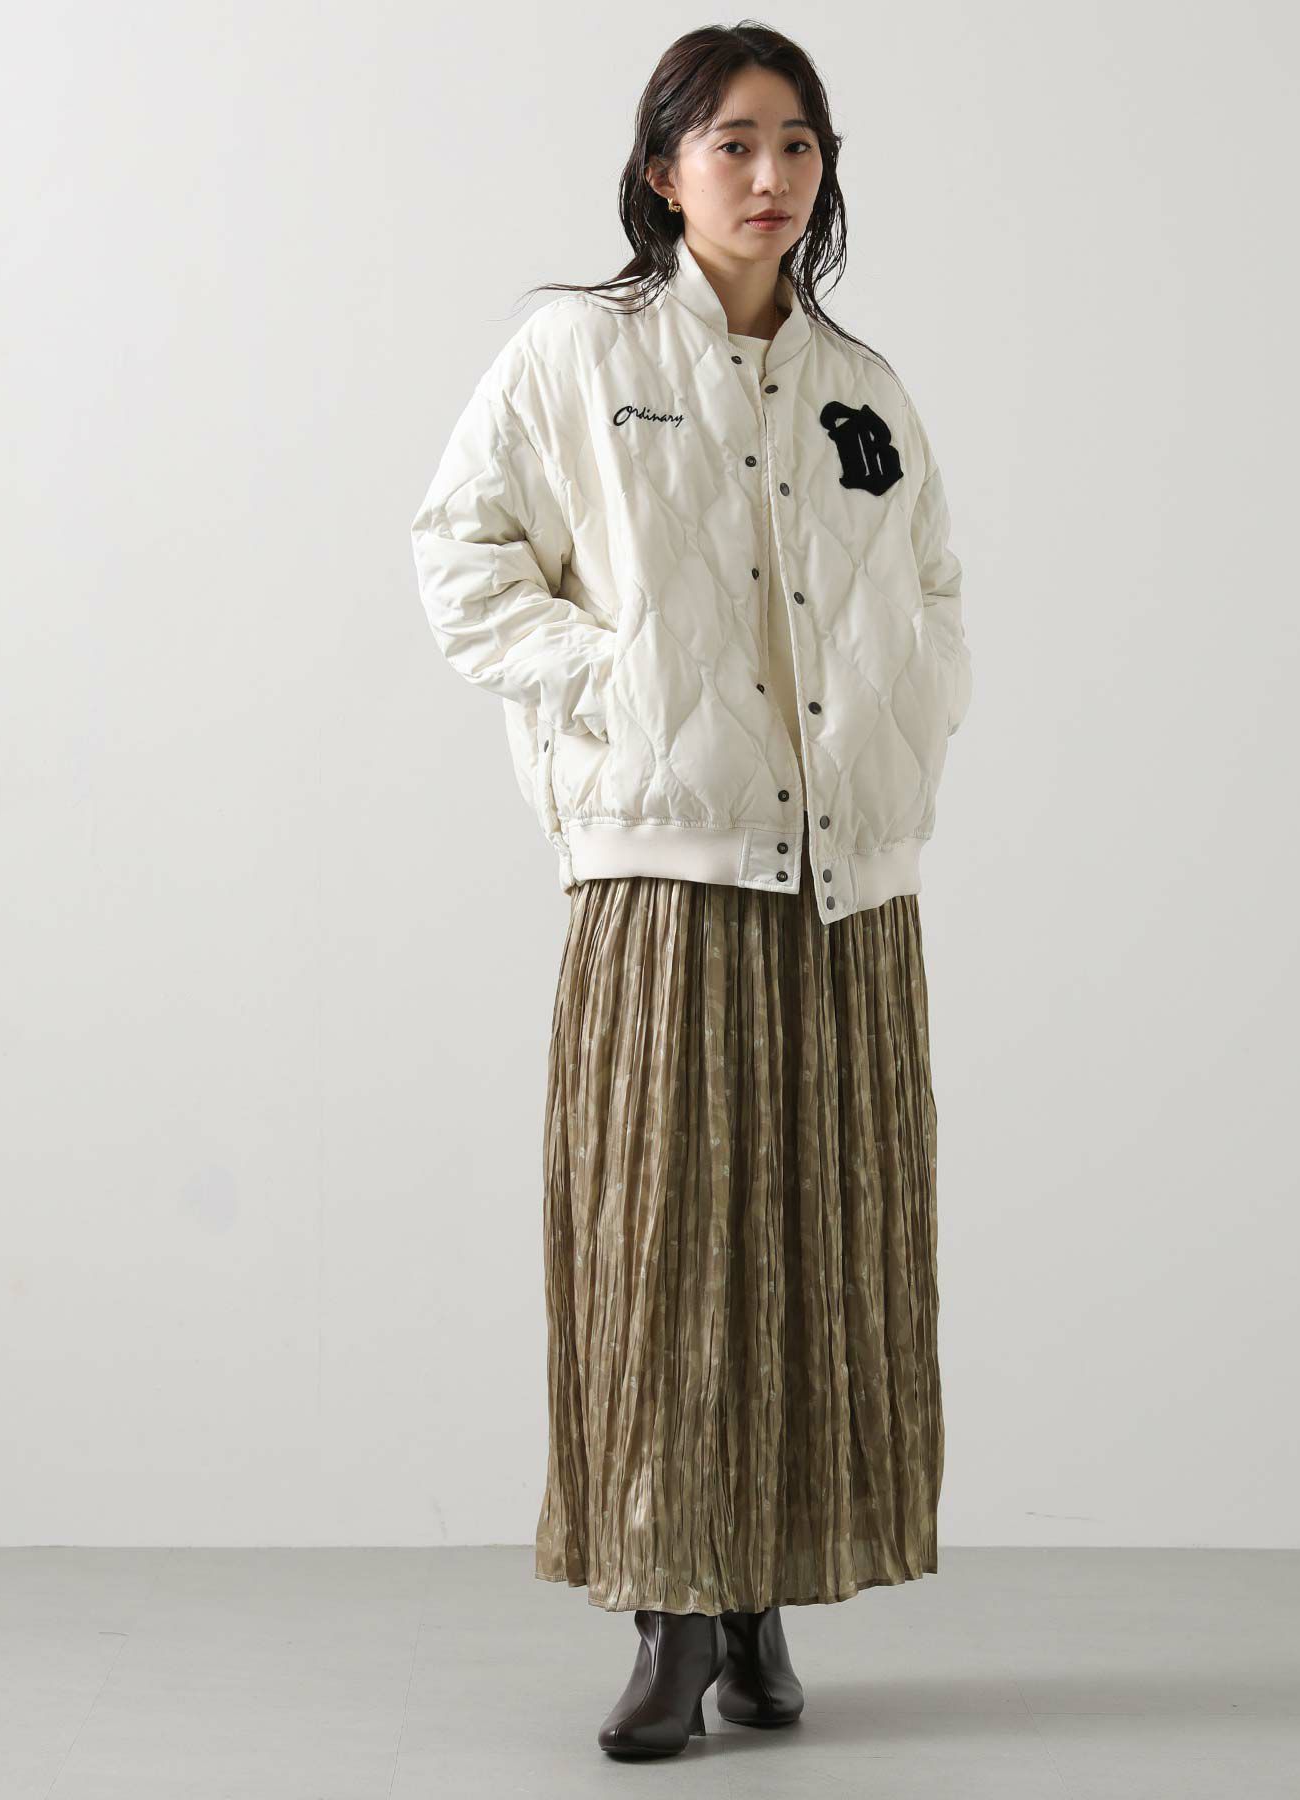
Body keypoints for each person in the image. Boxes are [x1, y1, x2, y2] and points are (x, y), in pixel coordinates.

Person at [410, 21, 972, 1762]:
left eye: (798, 143)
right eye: (733, 142)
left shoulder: (864, 384)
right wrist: (613, 686)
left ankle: (760, 1602)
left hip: (848, 893)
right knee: (663, 1255)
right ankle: (668, 1612)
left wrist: (909, 729)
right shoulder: (578, 353)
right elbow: (460, 554)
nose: (770, 174)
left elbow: (933, 597)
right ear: (664, 170)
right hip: (665, 879)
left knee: (819, 1250)